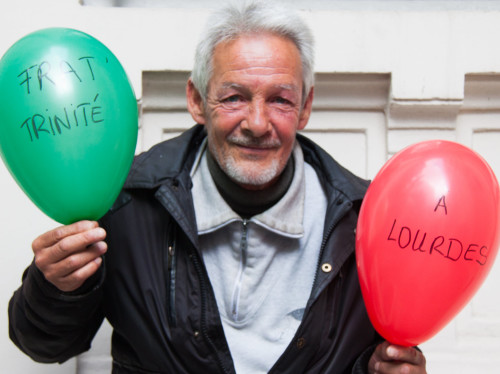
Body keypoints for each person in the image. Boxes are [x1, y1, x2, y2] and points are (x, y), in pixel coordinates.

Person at [8, 2, 427, 373]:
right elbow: (43, 345)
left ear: (305, 107)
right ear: (196, 100)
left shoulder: (363, 225)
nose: (258, 123)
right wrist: (56, 289)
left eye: (280, 99)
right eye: (233, 98)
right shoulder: (124, 201)